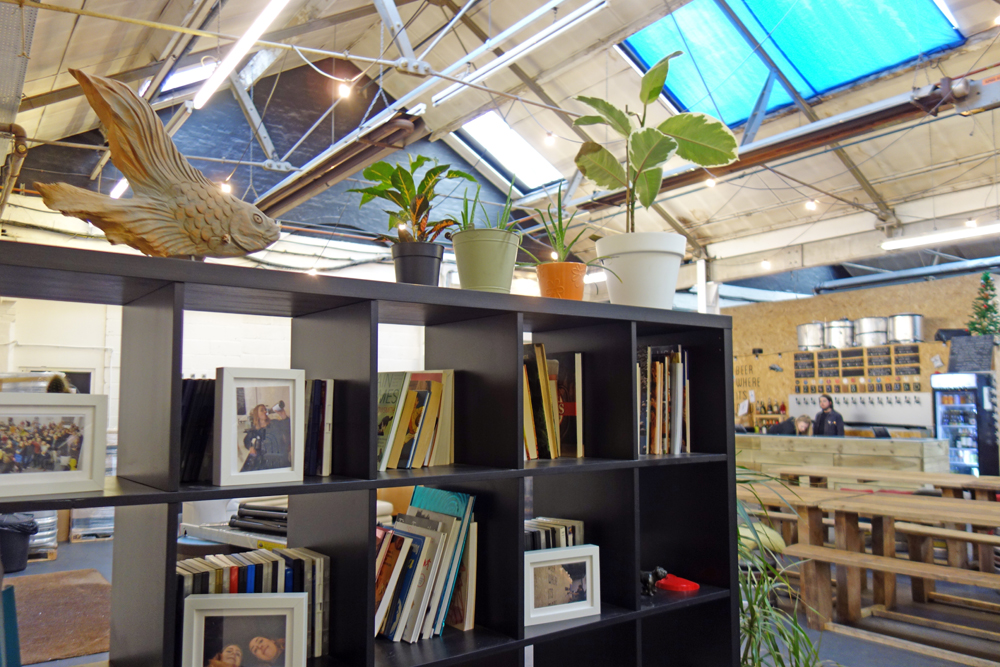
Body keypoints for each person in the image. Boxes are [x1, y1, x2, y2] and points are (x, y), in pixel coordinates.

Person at [241, 402, 292, 472]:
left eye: (265, 410)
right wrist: (251, 447)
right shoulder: (255, 429)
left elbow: (288, 428)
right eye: (262, 410)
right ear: (257, 414)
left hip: (280, 460)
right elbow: (246, 440)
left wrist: (284, 416)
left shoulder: (274, 423)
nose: (265, 411)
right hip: (265, 462)